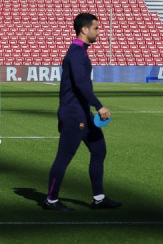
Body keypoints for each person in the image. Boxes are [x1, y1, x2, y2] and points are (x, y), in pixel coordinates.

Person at [44, 12, 121, 212]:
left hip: (82, 113)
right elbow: (80, 84)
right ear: (84, 30)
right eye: (96, 28)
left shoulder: (80, 51)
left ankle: (99, 198)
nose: (99, 32)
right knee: (64, 156)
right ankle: (51, 200)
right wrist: (98, 105)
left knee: (99, 150)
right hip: (73, 114)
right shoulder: (77, 53)